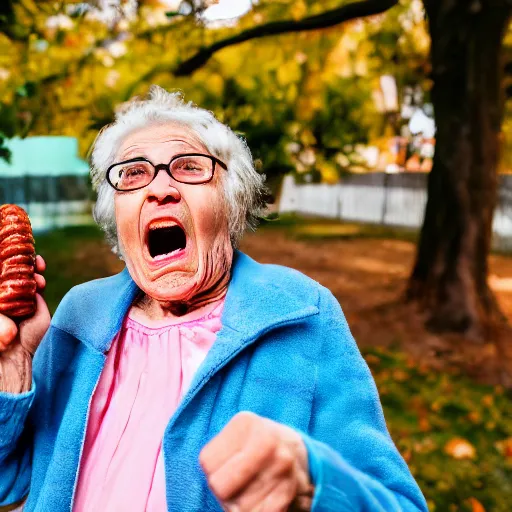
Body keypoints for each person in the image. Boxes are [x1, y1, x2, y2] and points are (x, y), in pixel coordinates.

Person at [0, 86, 428, 511]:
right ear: (117, 216)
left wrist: (313, 485)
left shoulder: (302, 316)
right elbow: (11, 486)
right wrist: (15, 368)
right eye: (133, 173)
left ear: (231, 204)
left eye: (188, 167)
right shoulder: (79, 316)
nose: (159, 189)